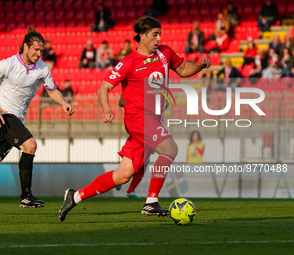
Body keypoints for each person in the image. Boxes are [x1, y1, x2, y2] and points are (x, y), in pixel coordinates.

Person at [58, 16, 210, 222]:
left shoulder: (165, 53)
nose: (158, 38)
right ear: (142, 35)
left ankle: (74, 196)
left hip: (153, 120)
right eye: (154, 34)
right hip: (138, 117)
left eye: (160, 34)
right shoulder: (128, 63)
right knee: (170, 149)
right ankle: (151, 202)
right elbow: (103, 88)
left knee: (123, 174)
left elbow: (183, 69)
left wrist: (199, 66)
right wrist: (106, 110)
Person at [0, 27, 74, 208]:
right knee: (30, 145)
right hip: (3, 115)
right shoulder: (7, 64)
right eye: (35, 49)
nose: (39, 53)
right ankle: (26, 196)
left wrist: (63, 102)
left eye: (41, 50)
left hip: (16, 119)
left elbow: (52, 90)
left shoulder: (42, 68)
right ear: (25, 46)